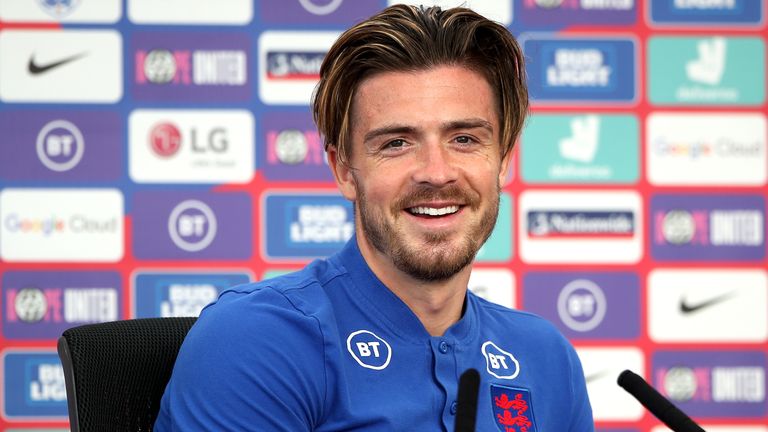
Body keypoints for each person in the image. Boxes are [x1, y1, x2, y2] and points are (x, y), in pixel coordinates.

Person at [155, 4, 594, 431]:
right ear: (344, 169)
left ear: (502, 160)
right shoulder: (256, 340)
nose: (437, 173)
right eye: (396, 144)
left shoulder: (547, 358)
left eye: (463, 138)